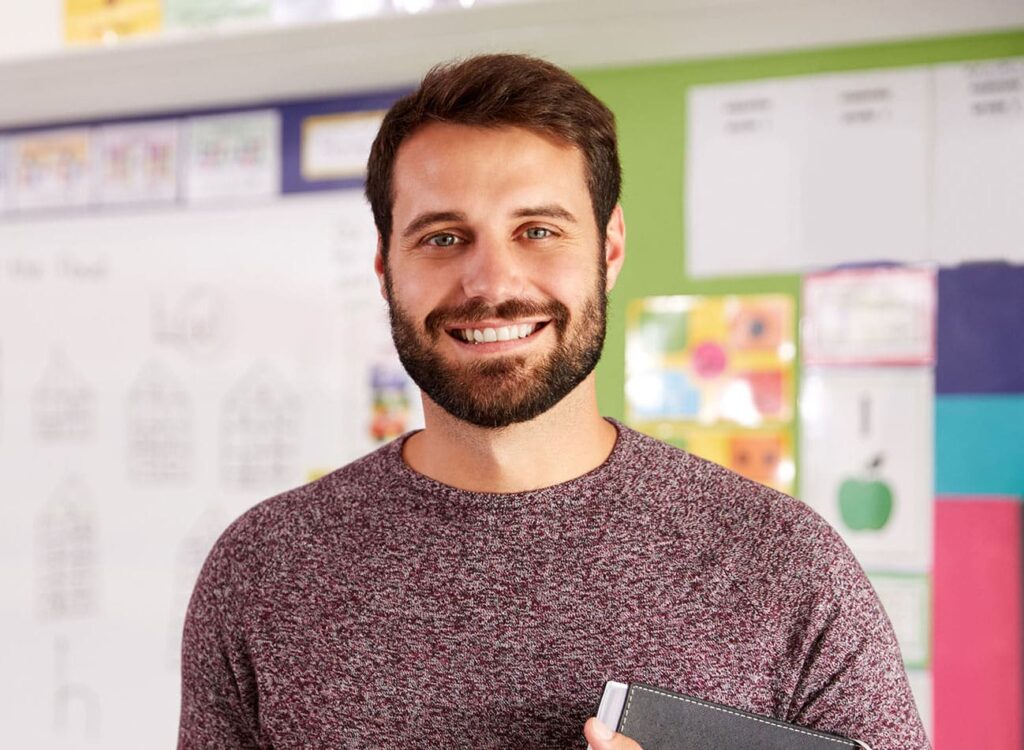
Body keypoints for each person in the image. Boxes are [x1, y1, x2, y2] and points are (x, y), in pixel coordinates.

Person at [178, 54, 929, 750]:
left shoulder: (784, 565)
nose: (492, 282)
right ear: (385, 269)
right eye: (443, 238)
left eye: (538, 230)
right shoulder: (262, 571)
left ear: (609, 248)